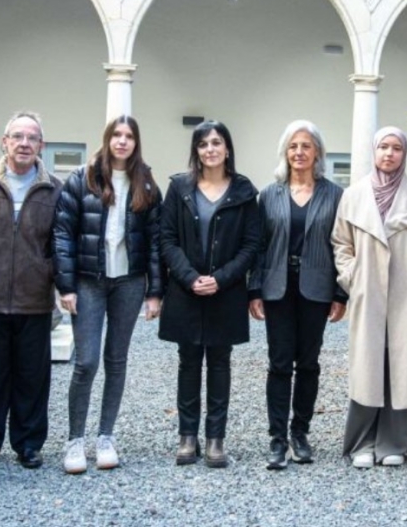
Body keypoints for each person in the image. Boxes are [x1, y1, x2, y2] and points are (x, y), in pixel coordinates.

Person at [53, 115, 163, 473]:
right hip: (88, 282)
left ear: (136, 142)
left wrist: (154, 292)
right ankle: (74, 441)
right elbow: (63, 235)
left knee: (117, 360)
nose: (122, 141)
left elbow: (155, 243)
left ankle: (105, 437)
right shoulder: (81, 179)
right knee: (86, 362)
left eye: (129, 135)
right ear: (107, 138)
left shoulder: (146, 184)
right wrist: (65, 285)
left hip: (129, 283)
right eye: (116, 134)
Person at [332, 126, 407, 468]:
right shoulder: (353, 195)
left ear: (404, 154)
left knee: (402, 366)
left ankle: (395, 442)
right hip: (368, 293)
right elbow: (341, 243)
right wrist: (351, 277)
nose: (389, 154)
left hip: (406, 294)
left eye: (396, 148)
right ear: (374, 151)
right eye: (383, 147)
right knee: (368, 365)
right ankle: (362, 442)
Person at [0, 112, 63, 471]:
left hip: (34, 300)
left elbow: (60, 245)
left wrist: (54, 278)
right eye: (17, 136)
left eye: (32, 138)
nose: (24, 143)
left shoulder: (55, 190)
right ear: (3, 142)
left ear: (41, 146)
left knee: (32, 378)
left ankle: (29, 444)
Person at [159, 121, 259, 468]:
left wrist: (221, 278)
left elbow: (251, 244)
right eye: (203, 144)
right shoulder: (179, 188)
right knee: (188, 363)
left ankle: (215, 439)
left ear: (227, 148)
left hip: (225, 292)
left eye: (217, 142)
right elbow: (167, 239)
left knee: (219, 363)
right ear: (196, 151)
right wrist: (189, 277)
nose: (210, 149)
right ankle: (188, 437)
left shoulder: (244, 191)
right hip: (186, 292)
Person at [249, 120, 347, 470]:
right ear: (285, 152)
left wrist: (340, 293)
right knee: (279, 363)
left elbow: (341, 246)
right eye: (293, 146)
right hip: (277, 288)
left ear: (317, 151)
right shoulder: (269, 194)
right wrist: (255, 289)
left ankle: (300, 433)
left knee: (308, 363)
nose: (300, 152)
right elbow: (259, 246)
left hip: (316, 289)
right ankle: (276, 438)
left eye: (306, 146)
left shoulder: (335, 195)